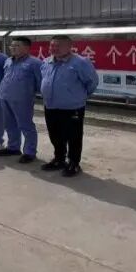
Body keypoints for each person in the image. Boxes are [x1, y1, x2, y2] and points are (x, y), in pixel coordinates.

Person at [40, 35, 99, 177]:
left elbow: (92, 82)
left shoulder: (80, 62)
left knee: (73, 136)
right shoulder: (47, 61)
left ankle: (74, 163)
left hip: (72, 108)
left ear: (69, 47)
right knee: (55, 134)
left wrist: (78, 96)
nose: (54, 48)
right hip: (51, 105)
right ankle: (59, 159)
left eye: (58, 45)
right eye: (52, 45)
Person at [0, 36, 43, 163]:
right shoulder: (8, 61)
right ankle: (13, 147)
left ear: (27, 48)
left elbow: (40, 82)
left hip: (23, 100)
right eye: (12, 46)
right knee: (9, 124)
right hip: (5, 97)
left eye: (17, 45)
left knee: (26, 126)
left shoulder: (35, 63)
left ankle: (30, 152)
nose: (13, 48)